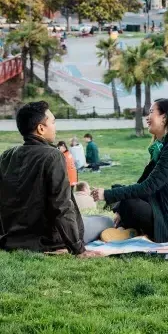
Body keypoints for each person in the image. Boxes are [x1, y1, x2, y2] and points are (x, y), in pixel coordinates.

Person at [0, 101, 111, 256]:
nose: (55, 127)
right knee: (106, 221)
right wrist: (78, 249)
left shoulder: (7, 155)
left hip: (13, 238)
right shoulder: (52, 155)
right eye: (53, 122)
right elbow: (61, 206)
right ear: (41, 128)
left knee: (90, 218)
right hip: (48, 240)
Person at [93, 99, 168, 243]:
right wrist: (121, 208)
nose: (147, 117)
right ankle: (129, 229)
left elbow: (148, 187)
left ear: (164, 118)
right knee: (123, 194)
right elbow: (143, 183)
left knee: (128, 200)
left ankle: (130, 230)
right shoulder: (163, 146)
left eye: (152, 112)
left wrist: (107, 195)